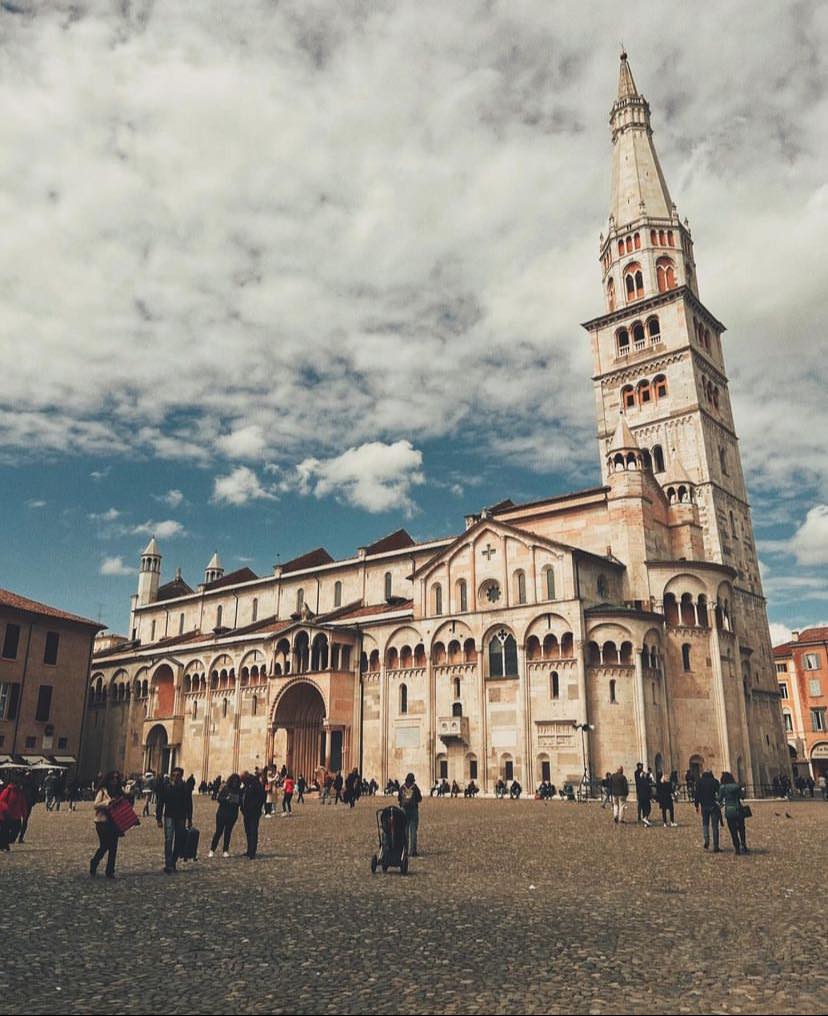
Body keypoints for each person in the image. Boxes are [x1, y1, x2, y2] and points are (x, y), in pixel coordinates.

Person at [155, 767, 193, 874]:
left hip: (181, 817)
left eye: (178, 775)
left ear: (181, 776)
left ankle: (173, 861)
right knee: (168, 840)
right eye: (174, 775)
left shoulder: (185, 788)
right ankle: (168, 864)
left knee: (179, 840)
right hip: (169, 816)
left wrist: (190, 819)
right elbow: (160, 802)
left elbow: (189, 804)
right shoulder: (166, 787)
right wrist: (158, 818)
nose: (175, 777)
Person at [90, 771, 123, 878]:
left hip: (114, 822)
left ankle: (110, 871)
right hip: (102, 821)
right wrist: (107, 803)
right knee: (104, 846)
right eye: (113, 778)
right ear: (108, 780)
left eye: (117, 778)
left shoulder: (119, 792)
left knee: (113, 847)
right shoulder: (103, 791)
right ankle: (94, 862)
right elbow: (95, 805)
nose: (115, 781)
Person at [208, 773, 241, 857]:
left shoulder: (238, 791)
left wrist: (238, 801)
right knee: (218, 832)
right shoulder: (226, 789)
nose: (235, 783)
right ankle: (212, 849)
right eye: (234, 781)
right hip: (222, 813)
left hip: (232, 814)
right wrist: (226, 799)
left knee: (228, 832)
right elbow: (219, 799)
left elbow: (240, 802)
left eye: (236, 782)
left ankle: (225, 850)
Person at [718, 771, 748, 855]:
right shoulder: (737, 786)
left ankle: (737, 847)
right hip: (738, 809)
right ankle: (743, 844)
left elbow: (719, 798)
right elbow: (742, 796)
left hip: (729, 810)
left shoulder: (723, 787)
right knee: (741, 828)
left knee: (733, 830)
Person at [694, 769, 721, 851]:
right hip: (713, 805)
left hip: (704, 806)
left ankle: (706, 840)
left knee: (705, 824)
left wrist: (696, 805)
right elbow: (719, 793)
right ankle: (716, 846)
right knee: (715, 826)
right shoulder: (715, 781)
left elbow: (697, 794)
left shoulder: (699, 782)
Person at [240, 771, 265, 859]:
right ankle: (249, 850)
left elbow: (261, 797)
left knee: (253, 832)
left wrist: (255, 807)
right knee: (248, 832)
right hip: (246, 813)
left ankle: (252, 852)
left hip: (254, 813)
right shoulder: (246, 785)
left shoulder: (255, 784)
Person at [0, 776, 29, 851]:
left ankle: (4, 842)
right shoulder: (7, 791)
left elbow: (23, 804)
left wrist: (24, 814)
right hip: (7, 816)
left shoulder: (20, 793)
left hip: (17, 816)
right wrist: (6, 809)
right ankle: (4, 844)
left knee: (15, 833)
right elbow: (2, 801)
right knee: (5, 831)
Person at [398, 772, 422, 857]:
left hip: (404, 811)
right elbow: (419, 798)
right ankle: (413, 851)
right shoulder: (415, 788)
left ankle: (405, 850)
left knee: (405, 831)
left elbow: (399, 798)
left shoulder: (402, 788)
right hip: (413, 811)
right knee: (413, 831)